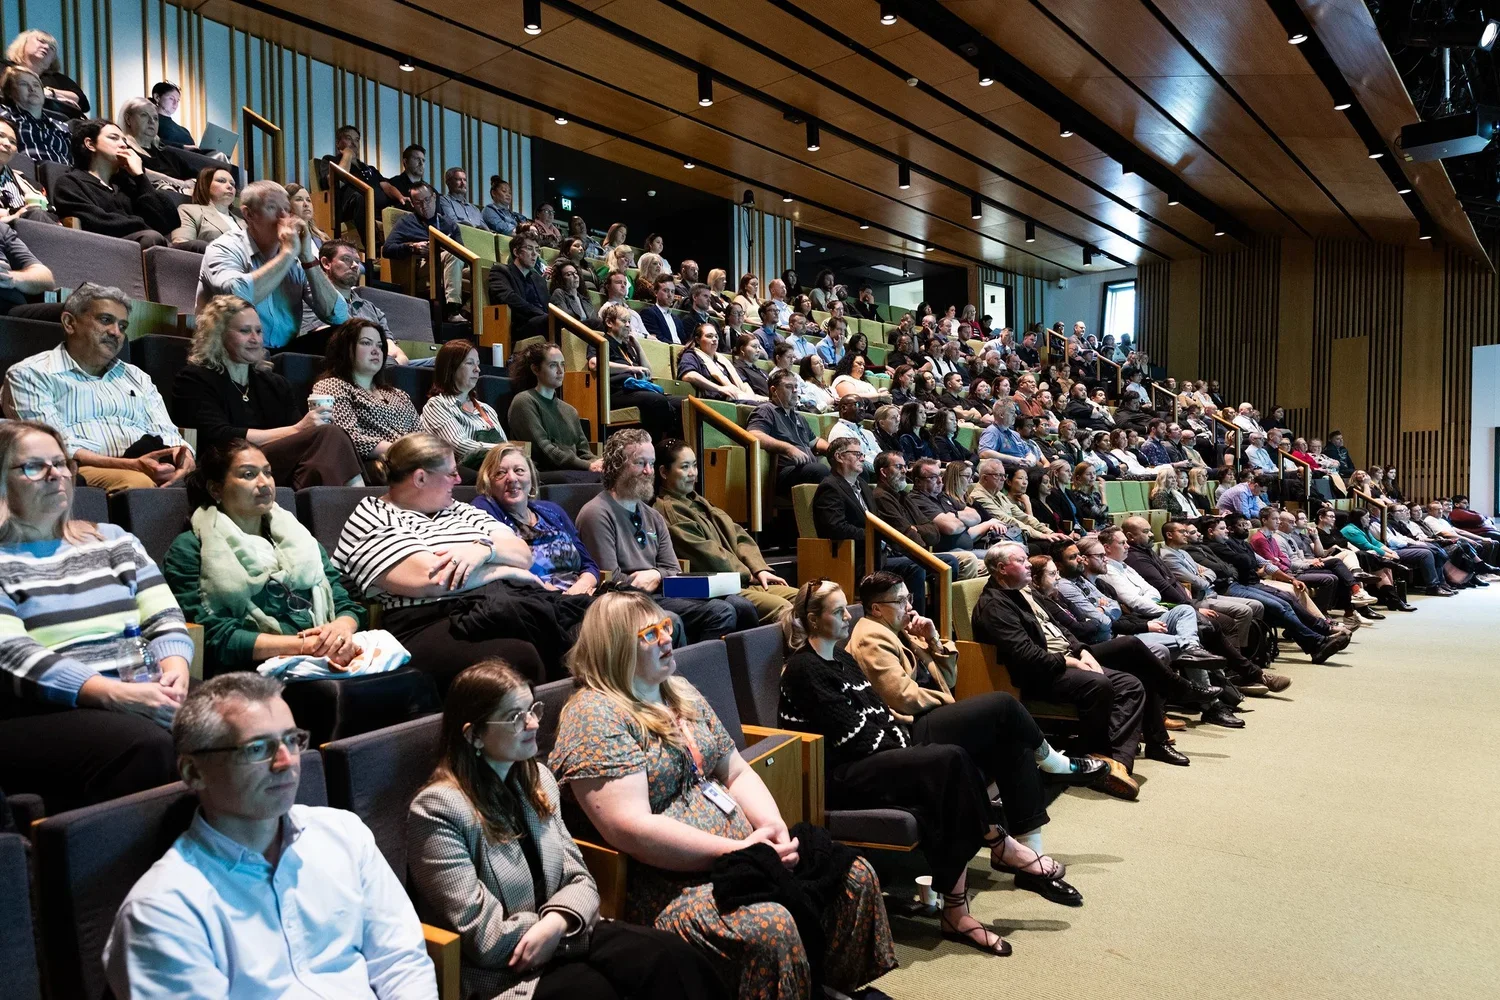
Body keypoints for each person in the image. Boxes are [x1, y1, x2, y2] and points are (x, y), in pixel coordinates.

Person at [549, 591, 899, 994]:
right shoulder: (595, 714)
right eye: (651, 633)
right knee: (771, 925)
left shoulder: (676, 689)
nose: (668, 638)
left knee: (852, 876)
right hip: (670, 881)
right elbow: (628, 826)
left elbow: (733, 770)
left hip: (747, 853)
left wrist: (773, 829)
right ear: (614, 648)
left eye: (666, 626)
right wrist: (737, 851)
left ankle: (822, 985)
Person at [103, 673, 438, 998]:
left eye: (292, 740)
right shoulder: (162, 910)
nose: (285, 762)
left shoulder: (343, 834)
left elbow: (400, 961)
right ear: (193, 771)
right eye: (257, 749)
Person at [407, 660, 726, 1000]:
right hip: (506, 972)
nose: (533, 723)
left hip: (565, 932)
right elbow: (484, 939)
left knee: (670, 958)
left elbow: (581, 879)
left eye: (533, 709)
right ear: (474, 735)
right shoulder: (438, 811)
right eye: (516, 717)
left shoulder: (537, 780)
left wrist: (558, 923)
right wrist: (559, 925)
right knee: (598, 992)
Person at [779, 580, 1062, 957]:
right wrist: (903, 745)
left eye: (847, 608)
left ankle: (959, 906)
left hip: (879, 754)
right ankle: (997, 843)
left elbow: (876, 713)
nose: (849, 616)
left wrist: (901, 740)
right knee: (948, 760)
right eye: (838, 611)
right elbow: (852, 738)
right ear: (813, 620)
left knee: (953, 762)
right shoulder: (803, 669)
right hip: (839, 774)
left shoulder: (842, 657)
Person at [0, 420, 191, 812]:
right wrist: (113, 694)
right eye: (34, 467)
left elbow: (165, 617)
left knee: (246, 713)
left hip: (140, 681)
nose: (56, 474)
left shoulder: (114, 539)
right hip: (44, 708)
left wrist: (176, 671)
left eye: (61, 463)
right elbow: (13, 654)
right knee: (148, 743)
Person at [847, 571, 1107, 837]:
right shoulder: (872, 636)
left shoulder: (900, 630)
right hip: (910, 728)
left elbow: (949, 678)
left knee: (1010, 740)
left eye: (909, 598)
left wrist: (933, 640)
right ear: (877, 608)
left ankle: (1031, 846)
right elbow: (902, 697)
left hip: (932, 714)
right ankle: (1054, 763)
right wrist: (949, 702)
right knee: (1003, 704)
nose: (910, 606)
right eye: (901, 601)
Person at [972, 543, 1200, 797]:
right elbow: (1024, 655)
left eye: (1027, 559)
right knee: (1103, 681)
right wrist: (1071, 661)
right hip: (1037, 673)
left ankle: (1112, 765)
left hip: (1066, 657)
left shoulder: (1025, 592)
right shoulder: (994, 606)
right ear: (1002, 568)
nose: (1028, 564)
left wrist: (1082, 651)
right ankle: (1176, 693)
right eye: (1021, 560)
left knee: (1131, 683)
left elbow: (1062, 628)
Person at [162, 439, 368, 676]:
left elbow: (343, 602)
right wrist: (304, 646)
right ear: (216, 489)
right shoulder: (191, 548)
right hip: (251, 669)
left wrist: (340, 628)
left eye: (268, 473)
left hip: (323, 654)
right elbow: (211, 635)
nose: (264, 483)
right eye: (248, 475)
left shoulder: (298, 539)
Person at [3, 284, 195, 491]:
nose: (116, 333)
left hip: (149, 465)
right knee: (139, 484)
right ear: (69, 323)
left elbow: (166, 431)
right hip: (81, 469)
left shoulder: (137, 376)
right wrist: (130, 465)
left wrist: (183, 454)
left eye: (122, 326)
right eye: (105, 320)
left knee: (218, 480)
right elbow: (55, 448)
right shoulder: (30, 374)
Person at [172, 295, 363, 490]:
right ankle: (364, 509)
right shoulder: (194, 379)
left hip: (274, 468)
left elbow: (301, 440)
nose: (255, 339)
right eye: (245, 331)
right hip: (225, 466)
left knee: (317, 464)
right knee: (329, 435)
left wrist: (298, 431)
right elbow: (219, 436)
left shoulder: (275, 384)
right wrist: (296, 430)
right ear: (218, 335)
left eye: (258, 331)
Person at [575, 430, 743, 641]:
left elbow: (673, 569)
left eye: (651, 463)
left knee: (741, 605)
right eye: (640, 463)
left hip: (659, 592)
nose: (648, 471)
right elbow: (611, 581)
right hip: (628, 601)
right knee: (720, 612)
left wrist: (655, 574)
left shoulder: (653, 515)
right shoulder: (596, 514)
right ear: (617, 467)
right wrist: (659, 577)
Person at [654, 440, 798, 623]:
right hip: (722, 588)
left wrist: (759, 568)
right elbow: (709, 556)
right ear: (664, 472)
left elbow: (738, 536)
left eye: (694, 465)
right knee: (786, 609)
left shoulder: (698, 501)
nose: (692, 473)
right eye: (684, 467)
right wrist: (748, 574)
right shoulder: (668, 511)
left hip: (743, 578)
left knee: (809, 598)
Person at [198, 179, 348, 349]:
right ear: (248, 214)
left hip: (285, 353)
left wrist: (307, 257)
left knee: (347, 337)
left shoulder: (296, 261)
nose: (283, 217)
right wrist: (287, 253)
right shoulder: (224, 247)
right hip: (231, 349)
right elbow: (236, 298)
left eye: (286, 209)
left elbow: (339, 316)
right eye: (271, 208)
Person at [811, 437, 930, 614]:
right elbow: (835, 528)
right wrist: (876, 536)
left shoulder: (863, 485)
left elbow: (876, 520)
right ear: (839, 456)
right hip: (855, 560)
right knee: (915, 568)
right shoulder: (830, 487)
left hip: (878, 555)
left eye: (862, 454)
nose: (862, 458)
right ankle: (911, 625)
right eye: (857, 454)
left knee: (927, 563)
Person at [471, 445, 599, 598]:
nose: (512, 478)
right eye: (500, 473)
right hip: (534, 600)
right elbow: (501, 570)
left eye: (519, 470)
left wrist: (583, 585)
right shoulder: (485, 510)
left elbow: (589, 565)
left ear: (531, 477)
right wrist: (556, 594)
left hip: (580, 593)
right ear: (488, 482)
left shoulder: (553, 510)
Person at [310, 320, 421, 481]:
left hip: (417, 461)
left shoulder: (399, 394)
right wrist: (404, 451)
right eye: (366, 343)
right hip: (374, 465)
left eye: (379, 345)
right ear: (345, 348)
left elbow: (421, 434)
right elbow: (347, 438)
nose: (376, 351)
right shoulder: (332, 386)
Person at [50, 119, 178, 246]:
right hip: (103, 248)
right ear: (90, 144)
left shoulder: (127, 185)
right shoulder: (70, 183)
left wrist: (140, 176)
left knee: (196, 247)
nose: (123, 145)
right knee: (151, 236)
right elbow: (98, 222)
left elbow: (167, 222)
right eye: (114, 138)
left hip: (143, 242)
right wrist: (144, 226)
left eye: (124, 140)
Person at [506, 342, 601, 482]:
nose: (560, 370)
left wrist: (600, 463)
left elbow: (584, 451)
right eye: (553, 365)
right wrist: (588, 466)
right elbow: (544, 449)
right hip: (544, 471)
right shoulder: (524, 401)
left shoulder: (570, 410)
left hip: (572, 468)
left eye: (562, 364)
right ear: (535, 369)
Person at [592, 302, 684, 439]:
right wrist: (630, 367)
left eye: (629, 321)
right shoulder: (601, 342)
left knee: (685, 402)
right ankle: (659, 446)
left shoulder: (628, 347)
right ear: (609, 323)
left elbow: (648, 372)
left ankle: (677, 446)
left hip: (638, 389)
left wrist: (638, 347)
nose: (628, 325)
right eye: (624, 321)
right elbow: (594, 363)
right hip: (617, 391)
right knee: (657, 401)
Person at [419, 340, 506, 470]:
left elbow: (504, 444)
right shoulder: (437, 405)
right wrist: (506, 450)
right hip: (456, 474)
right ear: (450, 368)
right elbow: (460, 446)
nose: (477, 369)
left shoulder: (487, 410)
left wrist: (508, 451)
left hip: (493, 468)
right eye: (470, 363)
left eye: (478, 364)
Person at [384, 182, 466, 317]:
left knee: (476, 271)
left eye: (427, 200)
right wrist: (412, 247)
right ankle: (452, 309)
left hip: (447, 261)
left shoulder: (449, 224)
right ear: (413, 204)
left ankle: (469, 312)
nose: (424, 206)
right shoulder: (406, 222)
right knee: (454, 257)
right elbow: (387, 249)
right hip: (423, 263)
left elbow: (461, 251)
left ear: (434, 197)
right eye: (418, 202)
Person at [747, 369, 830, 489]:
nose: (795, 391)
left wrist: (835, 450)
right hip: (785, 472)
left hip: (807, 469)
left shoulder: (798, 417)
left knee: (848, 471)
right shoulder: (766, 410)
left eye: (796, 386)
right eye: (789, 387)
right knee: (820, 470)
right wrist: (787, 448)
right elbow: (754, 434)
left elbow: (814, 441)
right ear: (774, 391)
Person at [320, 124, 402, 224]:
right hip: (352, 208)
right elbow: (335, 182)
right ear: (338, 143)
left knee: (406, 204)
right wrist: (347, 155)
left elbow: (387, 186)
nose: (354, 143)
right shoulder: (330, 160)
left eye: (357, 140)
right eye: (349, 139)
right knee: (360, 197)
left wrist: (401, 197)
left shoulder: (369, 168)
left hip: (379, 210)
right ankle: (373, 238)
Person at [116, 96, 197, 193]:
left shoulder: (168, 155)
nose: (151, 121)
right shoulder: (122, 149)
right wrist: (181, 183)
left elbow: (200, 176)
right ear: (128, 119)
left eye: (155, 118)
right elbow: (137, 171)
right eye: (144, 115)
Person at [7, 30, 88, 119]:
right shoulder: (4, 68)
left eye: (52, 48)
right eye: (41, 41)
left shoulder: (57, 78)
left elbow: (82, 101)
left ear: (53, 59)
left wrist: (51, 93)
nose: (46, 47)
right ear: (23, 44)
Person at [2, 66, 72, 164]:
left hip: (61, 175)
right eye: (23, 84)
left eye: (36, 85)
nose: (32, 89)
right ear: (9, 92)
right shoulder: (3, 116)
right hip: (22, 174)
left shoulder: (62, 127)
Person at [0, 114, 56, 224]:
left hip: (28, 234)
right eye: (1, 135)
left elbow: (50, 215)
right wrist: (13, 217)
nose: (7, 144)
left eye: (13, 142)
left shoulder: (32, 186)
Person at [172, 165, 242, 251]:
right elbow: (180, 247)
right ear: (206, 185)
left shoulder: (244, 222)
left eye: (232, 184)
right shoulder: (189, 211)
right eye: (221, 181)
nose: (230, 186)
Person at [0, 212, 56, 317]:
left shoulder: (2, 230)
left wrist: (11, 278)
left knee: (85, 311)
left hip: (12, 312)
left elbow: (46, 278)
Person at [434, 166, 488, 231]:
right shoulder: (443, 201)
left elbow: (486, 229)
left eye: (465, 180)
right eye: (458, 180)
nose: (463, 183)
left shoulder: (475, 209)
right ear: (448, 183)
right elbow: (453, 222)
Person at [549, 258, 596, 326]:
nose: (575, 276)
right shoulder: (559, 293)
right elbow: (564, 317)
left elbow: (593, 318)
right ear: (561, 279)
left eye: (576, 273)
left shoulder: (585, 298)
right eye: (569, 274)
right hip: (572, 331)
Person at [284, 181, 331, 250]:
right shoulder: (281, 239)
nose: (306, 204)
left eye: (308, 200)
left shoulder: (322, 238)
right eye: (299, 199)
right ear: (286, 205)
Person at [148, 82, 195, 147]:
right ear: (157, 97)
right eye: (171, 98)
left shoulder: (184, 130)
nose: (175, 103)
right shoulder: (149, 123)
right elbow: (150, 141)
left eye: (177, 100)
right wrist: (183, 147)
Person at [731, 332, 770, 397]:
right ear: (742, 349)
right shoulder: (737, 369)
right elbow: (748, 394)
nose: (758, 350)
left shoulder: (761, 370)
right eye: (754, 347)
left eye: (759, 347)